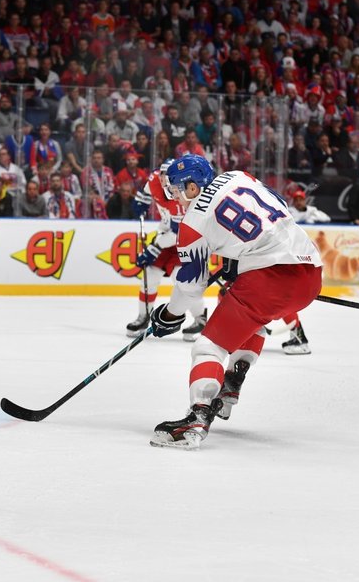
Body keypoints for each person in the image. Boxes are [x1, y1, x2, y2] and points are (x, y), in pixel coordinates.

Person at [148, 154, 323, 450]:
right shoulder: (239, 176)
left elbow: (191, 286)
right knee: (245, 312)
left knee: (208, 346)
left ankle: (197, 417)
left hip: (269, 279)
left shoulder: (192, 223)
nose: (174, 196)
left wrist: (171, 314)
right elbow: (278, 205)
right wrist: (237, 259)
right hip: (311, 271)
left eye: (178, 189)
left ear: (193, 188)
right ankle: (233, 379)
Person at [128, 160, 208, 341]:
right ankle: (144, 316)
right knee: (150, 274)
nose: (165, 180)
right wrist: (141, 201)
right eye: (163, 175)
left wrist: (152, 250)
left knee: (183, 281)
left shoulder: (181, 196)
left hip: (183, 241)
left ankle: (200, 318)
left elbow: (177, 233)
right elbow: (147, 192)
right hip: (165, 235)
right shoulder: (155, 179)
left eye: (169, 177)